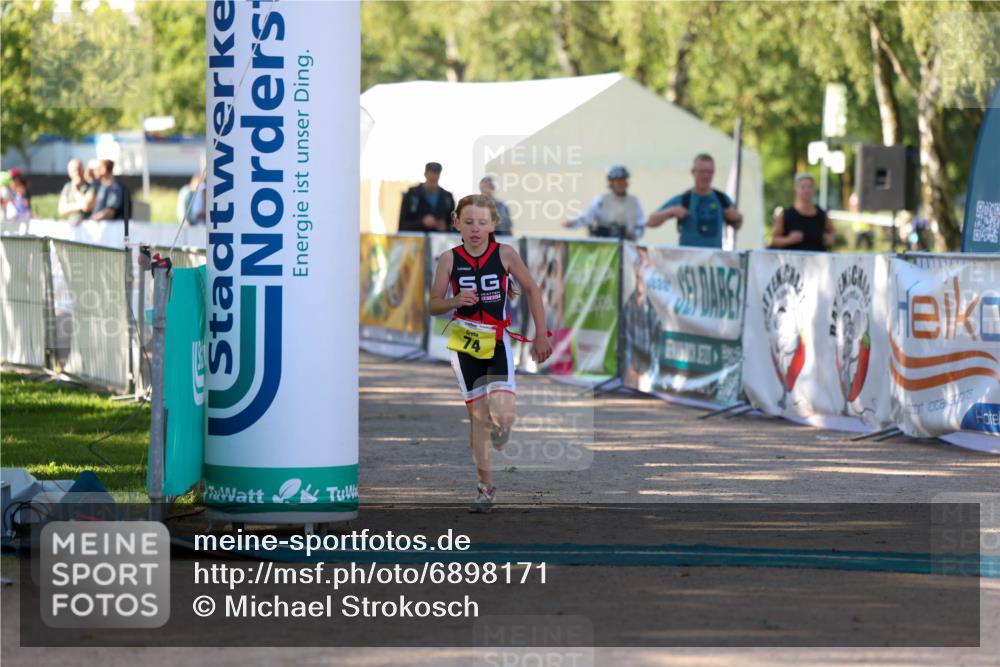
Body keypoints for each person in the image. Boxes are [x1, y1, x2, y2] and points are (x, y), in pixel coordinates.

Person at [428, 194, 552, 513]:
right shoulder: (449, 259)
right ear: (456, 223)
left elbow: (533, 290)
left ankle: (504, 425)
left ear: (493, 225)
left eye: (482, 223)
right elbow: (433, 305)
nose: (475, 229)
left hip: (496, 340)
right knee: (479, 418)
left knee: (504, 412)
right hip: (465, 343)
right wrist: (455, 301)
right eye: (468, 222)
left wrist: (540, 335)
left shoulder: (505, 254)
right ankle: (485, 488)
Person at [647, 154, 742, 248]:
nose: (706, 176)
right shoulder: (684, 199)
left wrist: (737, 218)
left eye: (709, 172)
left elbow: (737, 225)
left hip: (714, 260)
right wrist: (671, 211)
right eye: (702, 171)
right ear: (693, 172)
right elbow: (650, 222)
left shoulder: (722, 199)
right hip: (688, 260)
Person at [562, 164, 645, 240]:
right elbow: (586, 217)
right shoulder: (601, 201)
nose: (620, 184)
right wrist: (572, 223)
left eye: (622, 180)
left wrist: (632, 234)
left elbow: (640, 226)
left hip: (625, 245)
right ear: (611, 183)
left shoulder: (634, 202)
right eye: (617, 181)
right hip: (604, 245)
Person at [769, 173, 835, 251]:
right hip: (792, 260)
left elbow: (832, 232)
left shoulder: (821, 214)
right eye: (802, 187)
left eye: (809, 187)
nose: (806, 190)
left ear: (814, 189)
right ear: (796, 189)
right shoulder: (786, 214)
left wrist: (829, 239)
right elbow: (774, 240)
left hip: (817, 260)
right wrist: (789, 239)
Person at [399, 162, 455, 233]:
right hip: (416, 240)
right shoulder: (412, 195)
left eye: (435, 179)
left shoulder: (447, 198)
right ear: (425, 175)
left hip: (439, 241)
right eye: (430, 179)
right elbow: (402, 225)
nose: (432, 183)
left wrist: (445, 227)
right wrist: (421, 223)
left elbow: (454, 226)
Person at [57, 158, 93, 224]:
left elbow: (87, 206)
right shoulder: (68, 187)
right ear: (69, 172)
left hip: (87, 224)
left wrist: (76, 190)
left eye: (79, 169)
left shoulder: (91, 186)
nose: (77, 172)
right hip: (72, 225)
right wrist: (80, 205)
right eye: (74, 170)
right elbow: (62, 209)